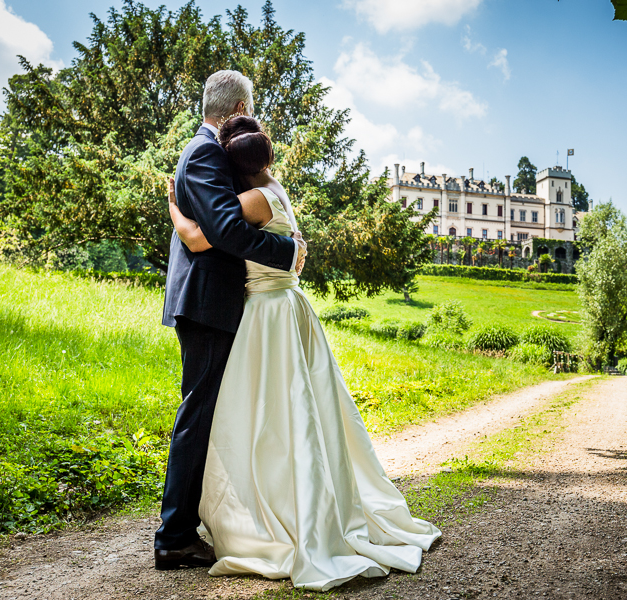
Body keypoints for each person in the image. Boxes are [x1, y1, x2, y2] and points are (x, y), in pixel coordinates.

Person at [166, 115, 441, 591]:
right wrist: (290, 249)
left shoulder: (250, 200)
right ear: (268, 159)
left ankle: (271, 510)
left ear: (234, 165)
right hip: (284, 306)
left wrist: (174, 206)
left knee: (268, 417)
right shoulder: (275, 191)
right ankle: (292, 501)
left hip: (267, 314)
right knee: (294, 411)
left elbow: (202, 235)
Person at [156, 70, 307, 569]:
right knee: (198, 415)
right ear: (239, 108)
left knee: (206, 413)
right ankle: (174, 536)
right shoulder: (203, 153)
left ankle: (189, 524)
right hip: (206, 303)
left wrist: (178, 218)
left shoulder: (209, 154)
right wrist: (287, 251)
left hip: (214, 302)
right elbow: (221, 229)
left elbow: (201, 229)